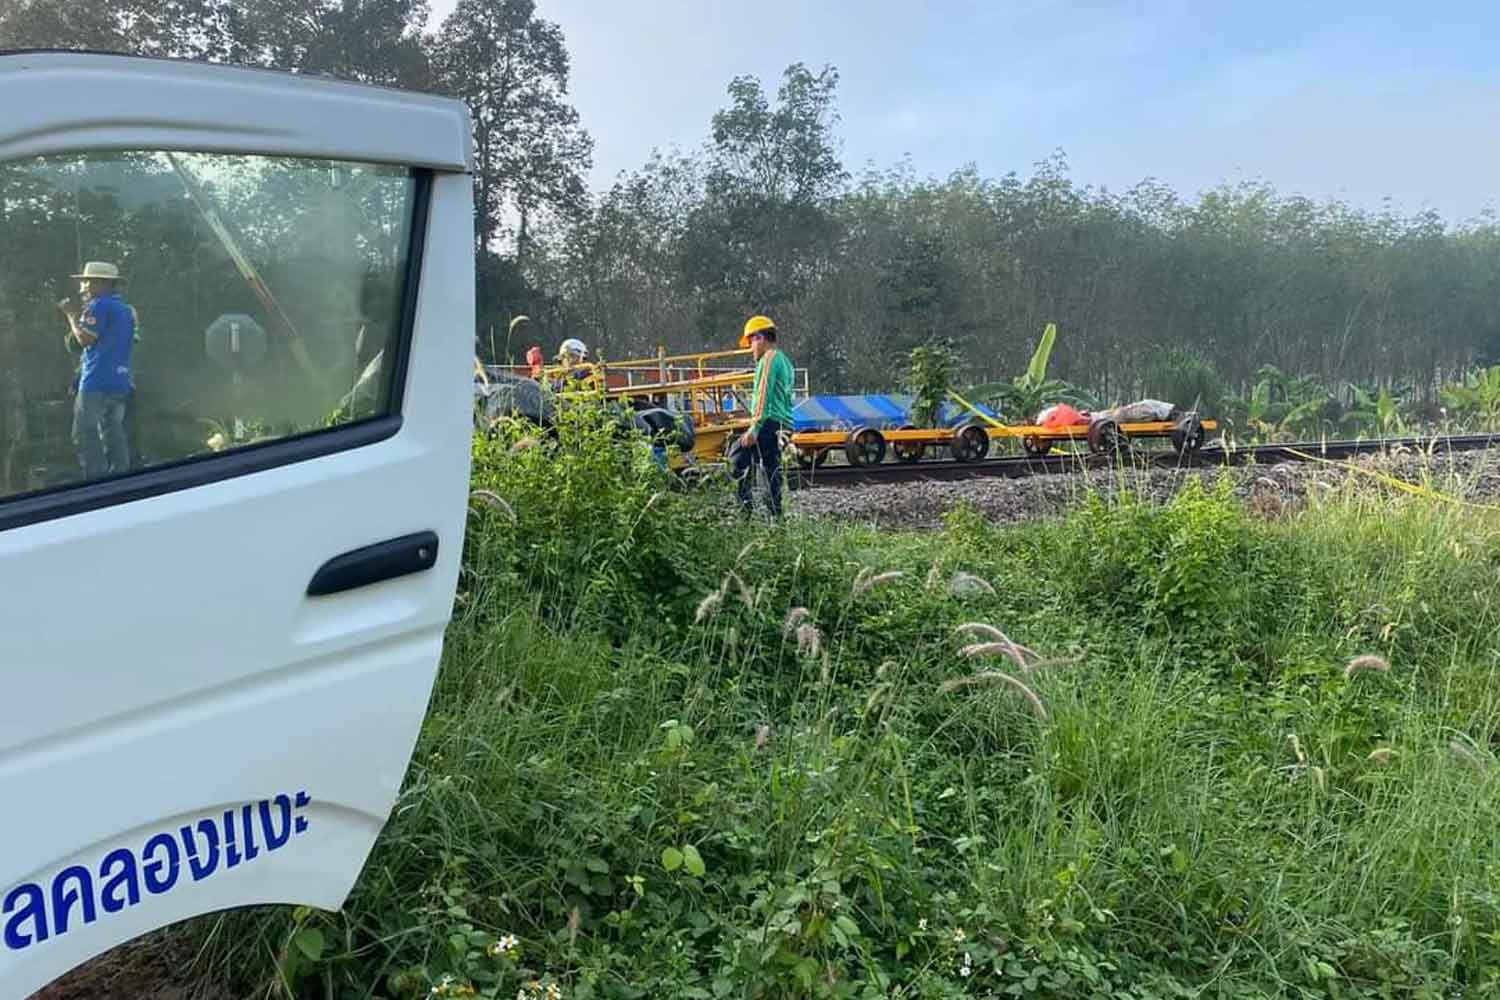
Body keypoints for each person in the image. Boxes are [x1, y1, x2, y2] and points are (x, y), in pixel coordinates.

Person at [58, 261, 135, 479]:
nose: (83, 287)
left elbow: (84, 339)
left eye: (86, 282)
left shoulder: (99, 306)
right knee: (113, 431)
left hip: (96, 380)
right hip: (120, 380)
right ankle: (121, 477)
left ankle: (96, 481)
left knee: (83, 432)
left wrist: (71, 316)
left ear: (101, 283)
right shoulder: (125, 309)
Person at [733, 315, 794, 517]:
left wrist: (754, 428)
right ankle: (776, 519)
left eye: (751, 341)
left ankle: (745, 515)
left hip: (768, 423)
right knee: (771, 472)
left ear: (760, 338)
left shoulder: (768, 359)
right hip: (783, 425)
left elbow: (763, 395)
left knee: (737, 458)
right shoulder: (785, 361)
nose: (751, 347)